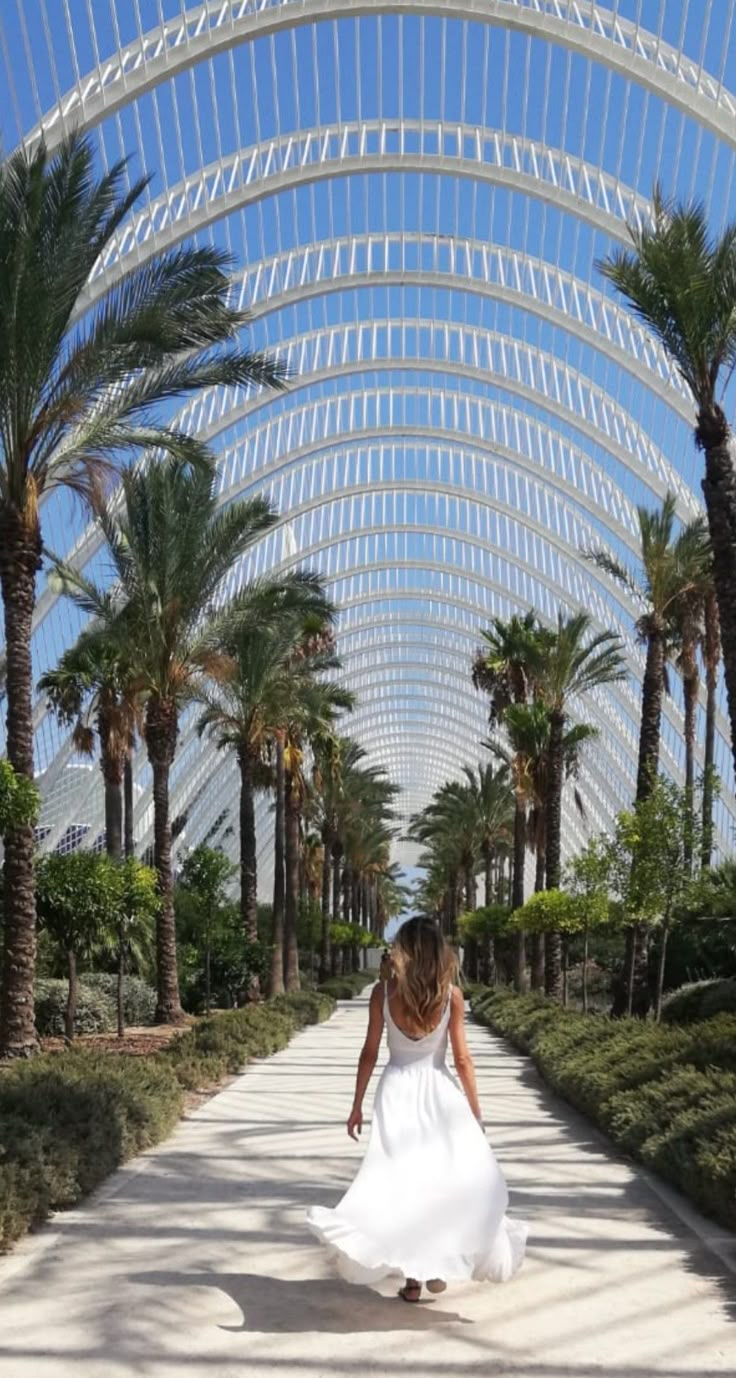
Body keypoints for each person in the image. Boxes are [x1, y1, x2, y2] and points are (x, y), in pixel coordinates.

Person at [306, 916, 526, 1301]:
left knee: (402, 1182)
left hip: (396, 1092)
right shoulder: (451, 997)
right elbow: (462, 1060)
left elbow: (370, 1053)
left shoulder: (383, 994)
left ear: (406, 952)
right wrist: (475, 1112)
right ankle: (436, 1265)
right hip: (439, 1091)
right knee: (441, 1180)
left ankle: (414, 1278)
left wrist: (356, 1105)